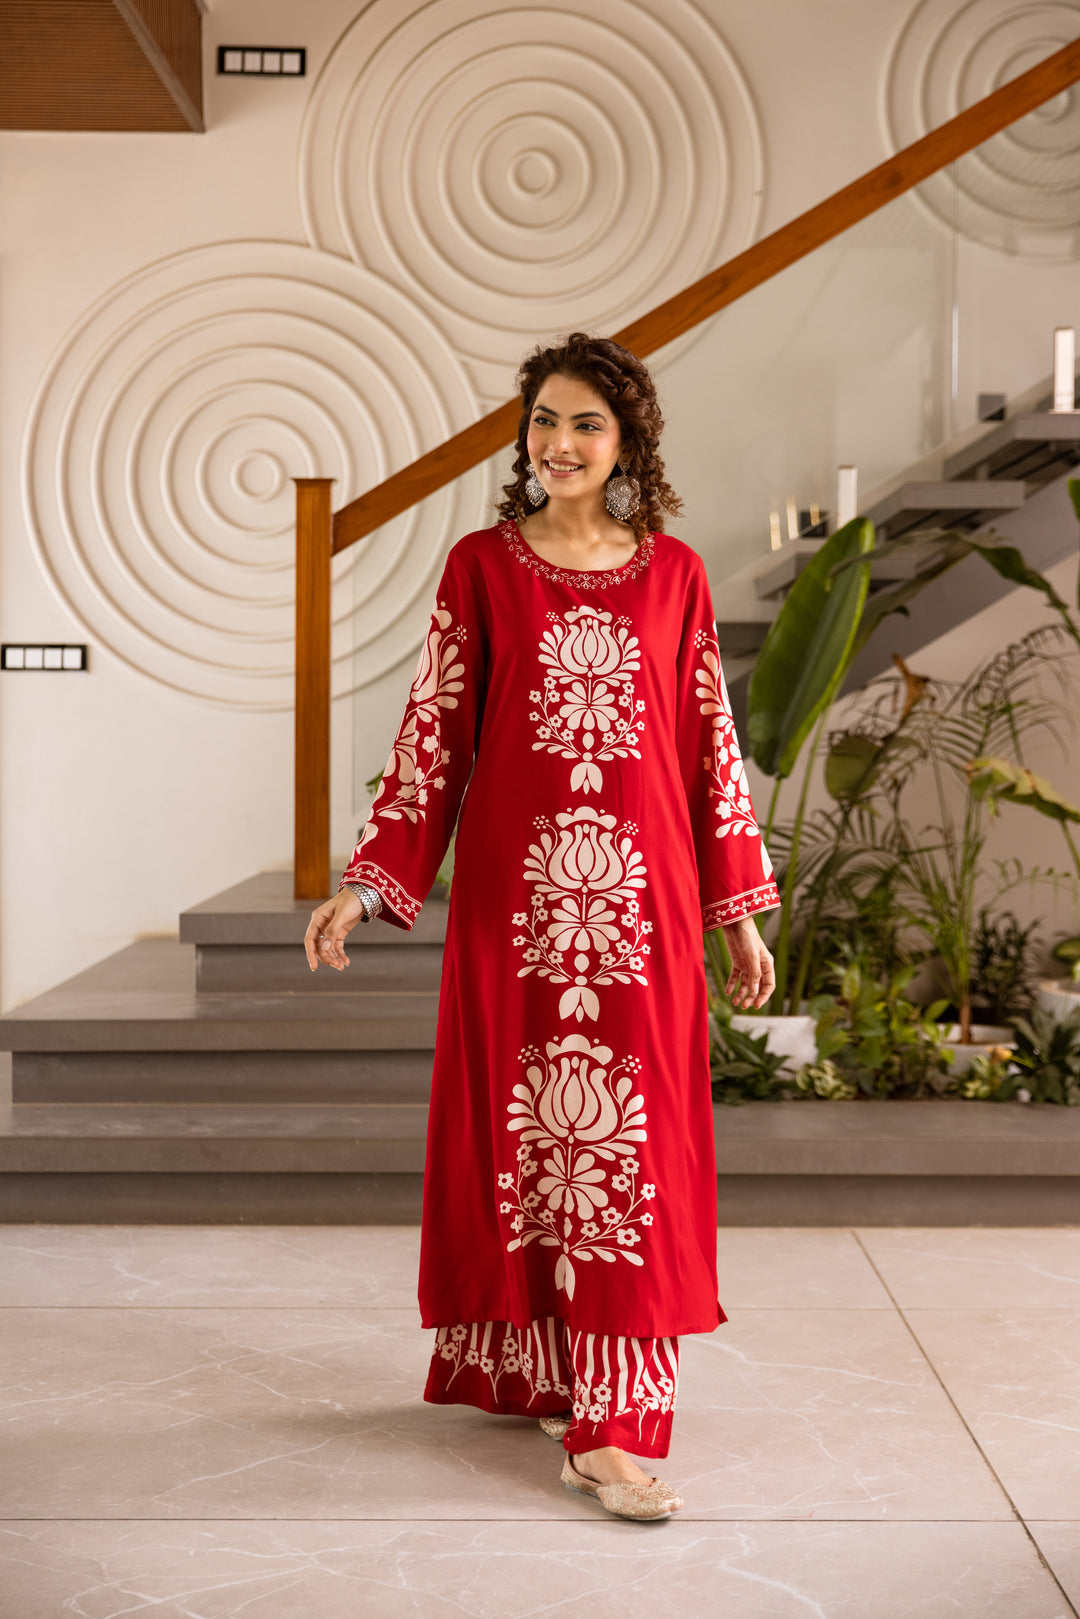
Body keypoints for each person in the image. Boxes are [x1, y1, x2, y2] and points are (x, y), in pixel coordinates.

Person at [304, 333, 779, 1522]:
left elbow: (709, 749)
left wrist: (738, 911)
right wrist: (370, 881)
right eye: (545, 422)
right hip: (515, 911)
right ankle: (547, 1369)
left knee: (633, 1147)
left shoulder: (675, 575)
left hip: (640, 912)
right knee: (527, 1140)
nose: (560, 444)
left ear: (628, 445)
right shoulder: (482, 566)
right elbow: (435, 732)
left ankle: (610, 1426)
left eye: (587, 425)